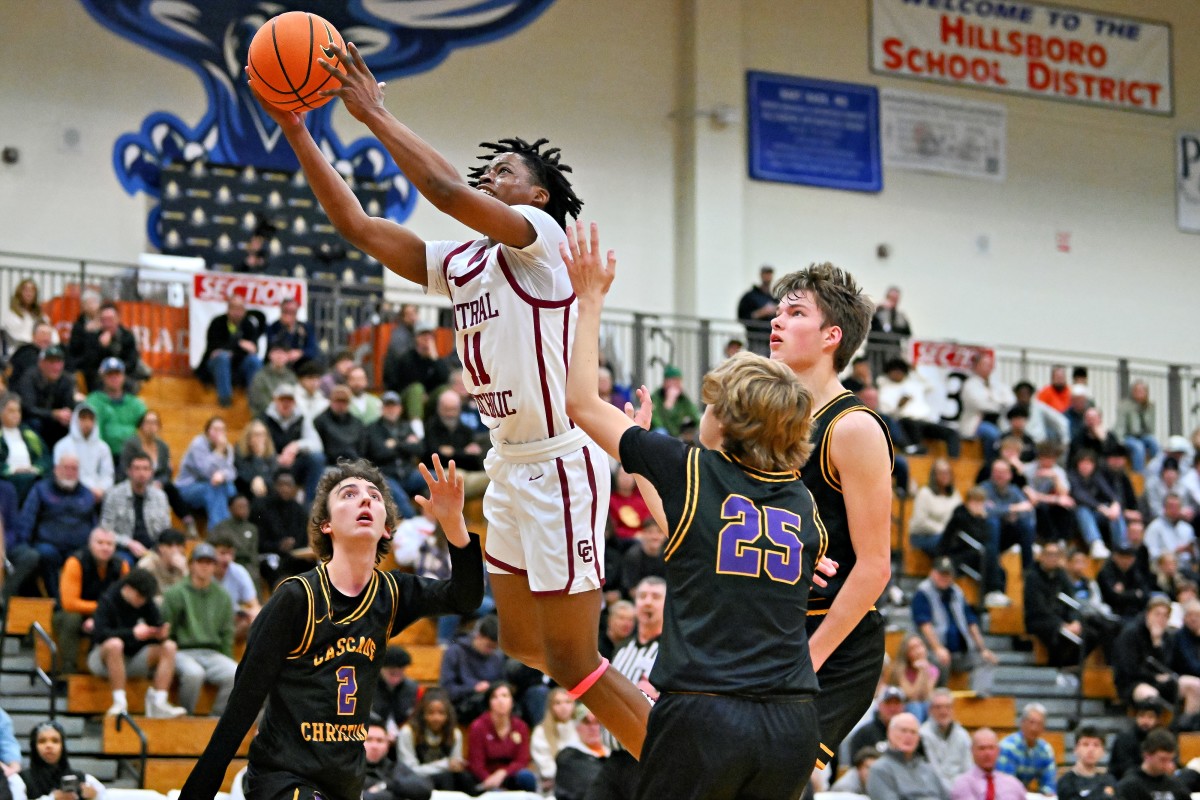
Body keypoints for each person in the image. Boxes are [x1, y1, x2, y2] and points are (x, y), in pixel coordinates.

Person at [253, 59, 640, 751]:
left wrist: (372, 113)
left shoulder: (543, 244)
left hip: (560, 461)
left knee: (577, 663)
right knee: (523, 643)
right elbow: (359, 227)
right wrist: (297, 132)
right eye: (489, 173)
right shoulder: (463, 261)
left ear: (539, 198)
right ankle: (649, 714)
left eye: (507, 174)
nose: (492, 178)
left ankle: (688, 764)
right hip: (507, 464)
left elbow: (440, 187)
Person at [564, 225, 833, 797]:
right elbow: (690, 535)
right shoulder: (800, 501)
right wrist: (641, 467)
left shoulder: (689, 466)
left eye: (711, 404)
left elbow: (582, 402)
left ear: (728, 420)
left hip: (706, 715)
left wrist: (590, 300)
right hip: (791, 724)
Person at [179, 456, 484, 800]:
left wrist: (453, 524)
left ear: (386, 528)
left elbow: (465, 598)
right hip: (282, 779)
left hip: (343, 784)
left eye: (374, 495)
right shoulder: (296, 599)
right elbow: (241, 707)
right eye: (349, 494)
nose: (366, 499)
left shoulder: (392, 594)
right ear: (326, 524)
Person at [764, 260, 894, 769]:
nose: (776, 322)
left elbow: (874, 566)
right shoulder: (773, 420)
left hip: (833, 640)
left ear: (831, 336)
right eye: (777, 312)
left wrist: (808, 660)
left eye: (795, 313)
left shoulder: (853, 428)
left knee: (771, 776)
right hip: (776, 622)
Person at [588, 576, 664, 800]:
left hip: (647, 762)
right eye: (642, 597)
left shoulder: (670, 652)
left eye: (656, 597)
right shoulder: (622, 650)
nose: (647, 602)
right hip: (615, 757)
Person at [88, 567, 187, 718]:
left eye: (145, 598)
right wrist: (132, 633)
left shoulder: (146, 601)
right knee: (115, 644)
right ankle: (119, 702)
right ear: (127, 588)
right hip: (105, 660)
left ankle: (159, 702)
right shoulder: (108, 599)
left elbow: (156, 623)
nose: (142, 601)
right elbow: (100, 634)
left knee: (169, 646)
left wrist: (160, 633)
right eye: (139, 596)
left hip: (134, 658)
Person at [163, 542, 238, 716]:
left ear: (214, 566)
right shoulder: (175, 593)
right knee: (193, 674)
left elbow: (227, 633)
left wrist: (227, 657)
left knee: (236, 674)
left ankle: (217, 720)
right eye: (200, 562)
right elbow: (167, 628)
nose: (205, 566)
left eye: (210, 562)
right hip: (182, 651)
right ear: (191, 565)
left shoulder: (223, 596)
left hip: (212, 653)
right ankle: (186, 716)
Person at [52, 527, 128, 675]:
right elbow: (70, 604)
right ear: (90, 544)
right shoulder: (75, 562)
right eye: (100, 543)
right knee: (71, 619)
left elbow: (123, 601)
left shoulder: (122, 566)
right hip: (69, 614)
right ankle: (68, 673)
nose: (105, 548)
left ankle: (114, 672)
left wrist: (98, 617)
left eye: (109, 544)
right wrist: (101, 610)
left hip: (103, 614)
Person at [20, 453, 96, 599]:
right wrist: (24, 544)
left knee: (87, 557)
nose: (69, 473)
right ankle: (57, 601)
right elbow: (27, 519)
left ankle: (79, 605)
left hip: (78, 548)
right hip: (48, 545)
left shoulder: (86, 494)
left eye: (74, 469)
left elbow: (94, 524)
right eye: (66, 468)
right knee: (47, 555)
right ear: (56, 469)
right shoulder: (41, 489)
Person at [911, 558, 997, 685]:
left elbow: (971, 622)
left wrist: (982, 649)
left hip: (960, 652)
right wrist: (938, 648)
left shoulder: (957, 592)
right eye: (941, 573)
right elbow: (925, 625)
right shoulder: (923, 592)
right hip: (932, 650)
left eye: (947, 574)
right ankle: (939, 696)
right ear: (932, 573)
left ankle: (978, 701)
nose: (944, 578)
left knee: (986, 660)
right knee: (939, 661)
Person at [396, 688, 475, 795]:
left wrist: (455, 766)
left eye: (441, 713)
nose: (436, 718)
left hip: (446, 778)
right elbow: (410, 770)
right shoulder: (409, 732)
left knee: (465, 778)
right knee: (445, 778)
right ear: (422, 714)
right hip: (416, 779)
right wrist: (445, 764)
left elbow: (455, 765)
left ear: (448, 715)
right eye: (431, 713)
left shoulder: (455, 733)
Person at [118, 410, 190, 524]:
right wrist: (149, 482)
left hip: (158, 482)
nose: (151, 426)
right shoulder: (131, 444)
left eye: (155, 423)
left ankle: (187, 520)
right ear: (141, 425)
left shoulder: (163, 446)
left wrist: (160, 482)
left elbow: (167, 470)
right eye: (148, 422)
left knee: (171, 488)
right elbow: (125, 468)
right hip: (136, 480)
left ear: (159, 426)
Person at [359, 391, 423, 520]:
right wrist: (406, 445)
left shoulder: (406, 426)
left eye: (394, 406)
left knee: (437, 479)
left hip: (408, 473)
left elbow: (420, 449)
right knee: (400, 496)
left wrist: (396, 444)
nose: (391, 410)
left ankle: (449, 519)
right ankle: (414, 524)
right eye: (387, 406)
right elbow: (379, 453)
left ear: (400, 409)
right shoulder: (372, 428)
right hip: (386, 475)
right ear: (382, 409)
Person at [100, 454, 170, 567]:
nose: (141, 473)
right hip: (123, 549)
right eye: (137, 468)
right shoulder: (114, 494)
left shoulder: (160, 497)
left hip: (153, 549)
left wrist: (158, 550)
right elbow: (106, 530)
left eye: (145, 468)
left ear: (151, 472)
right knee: (123, 563)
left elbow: (166, 530)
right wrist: (129, 543)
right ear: (129, 471)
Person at [259, 383, 326, 503]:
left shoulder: (302, 418)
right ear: (275, 401)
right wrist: (275, 458)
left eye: (289, 400)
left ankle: (310, 505)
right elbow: (256, 445)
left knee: (317, 458)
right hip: (271, 464)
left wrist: (296, 446)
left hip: (295, 464)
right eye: (282, 400)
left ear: (295, 402)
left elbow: (317, 444)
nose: (286, 403)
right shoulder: (264, 419)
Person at [466, 682, 538, 793]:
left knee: (527, 777)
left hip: (510, 775)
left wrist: (503, 773)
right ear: (489, 702)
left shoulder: (520, 726)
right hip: (484, 778)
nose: (500, 701)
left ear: (512, 701)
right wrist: (490, 781)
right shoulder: (478, 727)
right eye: (495, 697)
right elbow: (476, 764)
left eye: (505, 696)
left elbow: (522, 760)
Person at [198, 293, 267, 407]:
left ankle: (255, 401)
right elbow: (214, 348)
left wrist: (232, 348)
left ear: (244, 310)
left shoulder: (249, 325)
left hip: (239, 365)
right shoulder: (217, 322)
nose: (237, 312)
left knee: (254, 361)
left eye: (240, 308)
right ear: (228, 309)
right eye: (234, 308)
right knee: (222, 358)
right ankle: (225, 399)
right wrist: (240, 345)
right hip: (216, 366)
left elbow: (253, 349)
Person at [866, 712, 949, 800]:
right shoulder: (880, 769)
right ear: (890, 733)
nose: (908, 736)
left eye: (913, 732)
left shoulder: (928, 769)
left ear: (919, 738)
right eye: (903, 730)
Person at [439, 615, 506, 723]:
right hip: (462, 706)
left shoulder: (496, 656)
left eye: (494, 647)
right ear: (478, 636)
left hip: (491, 706)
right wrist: (473, 688)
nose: (491, 651)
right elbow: (447, 689)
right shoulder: (455, 652)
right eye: (488, 646)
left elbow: (502, 684)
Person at [14, 721, 105, 800]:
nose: (49, 746)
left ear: (63, 746)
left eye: (55, 741)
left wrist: (95, 796)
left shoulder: (82, 779)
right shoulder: (21, 779)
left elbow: (105, 795)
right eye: (42, 741)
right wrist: (53, 798)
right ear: (34, 746)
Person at [176, 416, 237, 527]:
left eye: (222, 430)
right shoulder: (198, 444)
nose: (219, 433)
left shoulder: (227, 447)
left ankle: (225, 527)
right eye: (215, 429)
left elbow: (232, 471)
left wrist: (222, 474)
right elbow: (205, 471)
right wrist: (218, 451)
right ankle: (219, 530)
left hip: (212, 485)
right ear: (207, 431)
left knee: (231, 489)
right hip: (188, 487)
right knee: (214, 489)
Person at [14, 343, 76, 449]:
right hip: (34, 421)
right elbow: (28, 408)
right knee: (35, 423)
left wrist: (67, 414)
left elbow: (69, 406)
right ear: (41, 363)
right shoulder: (29, 378)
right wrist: (53, 414)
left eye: (59, 362)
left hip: (56, 423)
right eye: (51, 362)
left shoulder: (67, 380)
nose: (56, 366)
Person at [86, 358, 147, 458]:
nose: (114, 378)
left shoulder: (135, 403)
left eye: (117, 374)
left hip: (131, 456)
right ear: (102, 377)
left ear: (123, 376)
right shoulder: (94, 401)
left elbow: (147, 427)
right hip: (102, 454)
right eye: (110, 374)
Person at [54, 404, 113, 504]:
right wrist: (87, 490)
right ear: (76, 420)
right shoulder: (62, 445)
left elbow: (108, 474)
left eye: (90, 419)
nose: (87, 423)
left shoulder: (103, 447)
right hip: (71, 493)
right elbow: (60, 473)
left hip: (99, 494)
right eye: (83, 418)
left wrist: (101, 489)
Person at [0, 390, 52, 505]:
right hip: (8, 482)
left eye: (18, 411)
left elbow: (46, 457)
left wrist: (36, 468)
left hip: (32, 479)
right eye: (11, 411)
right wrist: (11, 469)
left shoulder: (30, 434)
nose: (16, 415)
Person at [362, 719, 432, 800]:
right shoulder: (350, 770)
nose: (375, 746)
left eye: (380, 741)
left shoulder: (395, 768)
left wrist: (386, 785)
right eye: (368, 740)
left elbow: (424, 789)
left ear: (387, 745)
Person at [79, 303, 141, 394]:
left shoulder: (127, 336)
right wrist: (101, 347)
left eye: (110, 320)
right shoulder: (93, 337)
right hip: (100, 379)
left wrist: (116, 371)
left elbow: (132, 362)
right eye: (104, 320)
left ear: (117, 319)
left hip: (122, 376)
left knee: (131, 386)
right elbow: (89, 364)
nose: (107, 324)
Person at [995, 703, 1056, 795]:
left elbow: (1050, 783)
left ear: (1043, 728)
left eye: (1039, 724)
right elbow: (1005, 785)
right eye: (1031, 722)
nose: (1034, 728)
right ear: (1022, 723)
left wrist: (1047, 792)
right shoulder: (1008, 747)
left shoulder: (1045, 750)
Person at [950, 728, 1027, 800]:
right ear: (972, 751)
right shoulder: (962, 784)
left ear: (998, 750)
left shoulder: (1014, 784)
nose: (987, 753)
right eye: (982, 748)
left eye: (991, 748)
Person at [921, 689, 973, 793]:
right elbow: (933, 774)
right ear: (930, 710)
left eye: (947, 707)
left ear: (953, 709)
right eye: (938, 707)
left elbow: (968, 770)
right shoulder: (922, 735)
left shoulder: (963, 735)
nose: (943, 711)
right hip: (933, 792)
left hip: (961, 792)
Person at [1115, 728, 1190, 800]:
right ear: (1147, 756)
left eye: (1170, 760)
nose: (1168, 764)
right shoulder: (1130, 786)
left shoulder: (1176, 786)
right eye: (1163, 759)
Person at [553, 706, 608, 800]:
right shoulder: (569, 757)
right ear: (577, 726)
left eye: (597, 722)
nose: (593, 728)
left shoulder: (612, 752)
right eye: (587, 722)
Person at [908, 458, 962, 555]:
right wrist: (943, 529)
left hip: (947, 536)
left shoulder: (955, 494)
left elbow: (960, 516)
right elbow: (920, 522)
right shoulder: (925, 493)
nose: (945, 476)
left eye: (947, 472)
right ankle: (943, 567)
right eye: (941, 472)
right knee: (948, 542)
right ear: (934, 475)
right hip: (923, 537)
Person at [530, 688, 578, 794]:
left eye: (568, 702)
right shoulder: (540, 732)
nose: (563, 707)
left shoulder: (581, 728)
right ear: (550, 707)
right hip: (552, 790)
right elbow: (546, 768)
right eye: (558, 703)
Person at [1109, 699, 1169, 780]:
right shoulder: (1125, 738)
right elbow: (1125, 769)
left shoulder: (1162, 739)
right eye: (1142, 716)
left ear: (1157, 720)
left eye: (1150, 717)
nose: (1145, 721)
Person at [371, 646, 421, 740]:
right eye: (392, 673)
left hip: (402, 733)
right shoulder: (369, 687)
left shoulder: (412, 688)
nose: (396, 679)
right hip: (374, 732)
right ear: (380, 669)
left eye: (400, 674)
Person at [1056, 725, 1117, 800]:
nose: (1091, 749)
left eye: (1096, 745)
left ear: (1103, 751)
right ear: (1076, 749)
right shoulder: (1065, 782)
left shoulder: (1109, 781)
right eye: (1085, 744)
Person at [889, 633, 938, 721]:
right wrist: (920, 672)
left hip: (922, 705)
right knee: (915, 706)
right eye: (913, 648)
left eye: (920, 646)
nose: (918, 651)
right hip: (902, 706)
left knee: (929, 706)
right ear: (906, 653)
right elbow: (911, 696)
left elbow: (927, 695)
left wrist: (924, 671)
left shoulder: (933, 670)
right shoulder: (899, 669)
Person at [314, 385, 364, 463]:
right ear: (331, 401)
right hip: (329, 464)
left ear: (349, 403)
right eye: (337, 401)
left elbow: (362, 448)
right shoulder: (320, 421)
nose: (340, 405)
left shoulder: (357, 422)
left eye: (344, 401)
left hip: (354, 463)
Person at [265, 297, 318, 371]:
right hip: (280, 362)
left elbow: (313, 349)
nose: (289, 315)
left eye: (293, 312)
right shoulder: (273, 327)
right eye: (286, 311)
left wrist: (301, 353)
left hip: (300, 363)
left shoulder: (305, 327)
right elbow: (272, 348)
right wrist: (287, 330)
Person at [136, 528, 188, 603]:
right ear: (160, 548)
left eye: (179, 546)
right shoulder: (147, 565)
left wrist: (185, 570)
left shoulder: (183, 565)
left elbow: (194, 595)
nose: (175, 550)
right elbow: (141, 598)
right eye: (170, 546)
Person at [248, 342, 298, 418]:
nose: (280, 356)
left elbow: (296, 398)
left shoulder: (292, 377)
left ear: (288, 356)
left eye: (283, 353)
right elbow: (259, 401)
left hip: (288, 416)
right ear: (270, 355)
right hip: (265, 416)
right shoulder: (260, 376)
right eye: (277, 352)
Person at [736, 264, 776, 355]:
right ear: (761, 275)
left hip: (772, 338)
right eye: (766, 273)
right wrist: (760, 313)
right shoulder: (750, 296)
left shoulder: (773, 297)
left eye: (769, 274)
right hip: (756, 338)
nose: (768, 276)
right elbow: (742, 317)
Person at [233, 420, 278, 500]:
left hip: (266, 488)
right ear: (248, 438)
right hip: (245, 489)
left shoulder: (271, 453)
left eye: (263, 434)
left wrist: (261, 479)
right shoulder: (239, 451)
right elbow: (244, 475)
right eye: (257, 435)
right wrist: (257, 457)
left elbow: (273, 475)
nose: (260, 438)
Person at [2, 279, 51, 351]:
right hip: (18, 353)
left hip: (39, 353)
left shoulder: (42, 317)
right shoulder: (10, 315)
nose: (29, 294)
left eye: (32, 291)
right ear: (19, 293)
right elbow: (19, 336)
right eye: (26, 290)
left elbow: (53, 336)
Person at [10, 322, 57, 390]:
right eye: (43, 334)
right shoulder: (26, 353)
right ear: (33, 336)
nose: (46, 338)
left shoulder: (50, 354)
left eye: (49, 334)